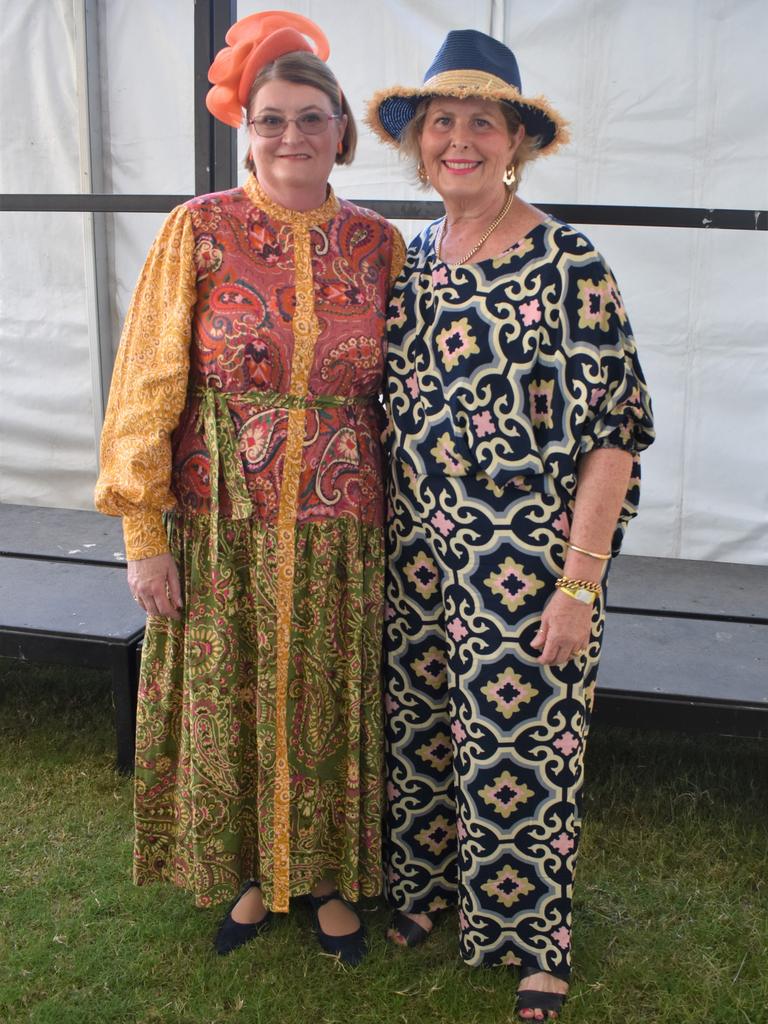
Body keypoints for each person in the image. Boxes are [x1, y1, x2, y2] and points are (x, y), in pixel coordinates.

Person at [95, 11, 404, 966]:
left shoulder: (382, 245)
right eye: (270, 119)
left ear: (341, 130)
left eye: (310, 118)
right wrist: (142, 530)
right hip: (218, 517)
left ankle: (319, 879)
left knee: (323, 698)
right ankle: (238, 871)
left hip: (339, 521)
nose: (290, 137)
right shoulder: (199, 229)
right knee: (228, 695)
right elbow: (146, 380)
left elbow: (404, 392)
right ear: (247, 130)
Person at [366, 30, 654, 1020]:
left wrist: (579, 582)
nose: (458, 139)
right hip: (418, 553)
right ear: (417, 142)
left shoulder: (568, 262)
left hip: (527, 555)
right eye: (441, 121)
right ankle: (434, 892)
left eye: (481, 123)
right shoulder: (413, 261)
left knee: (522, 746)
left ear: (515, 141)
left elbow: (613, 435)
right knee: (429, 736)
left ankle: (536, 938)